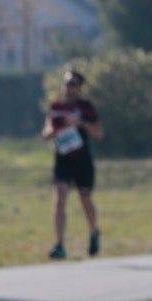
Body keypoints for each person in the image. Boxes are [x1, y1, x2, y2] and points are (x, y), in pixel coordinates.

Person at [43, 69, 103, 260]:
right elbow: (45, 133)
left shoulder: (86, 107)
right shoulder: (56, 106)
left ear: (80, 87)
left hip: (83, 160)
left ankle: (94, 232)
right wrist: (54, 130)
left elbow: (99, 132)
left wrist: (80, 123)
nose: (70, 87)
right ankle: (59, 244)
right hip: (62, 160)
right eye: (67, 83)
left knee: (84, 198)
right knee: (60, 198)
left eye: (74, 84)